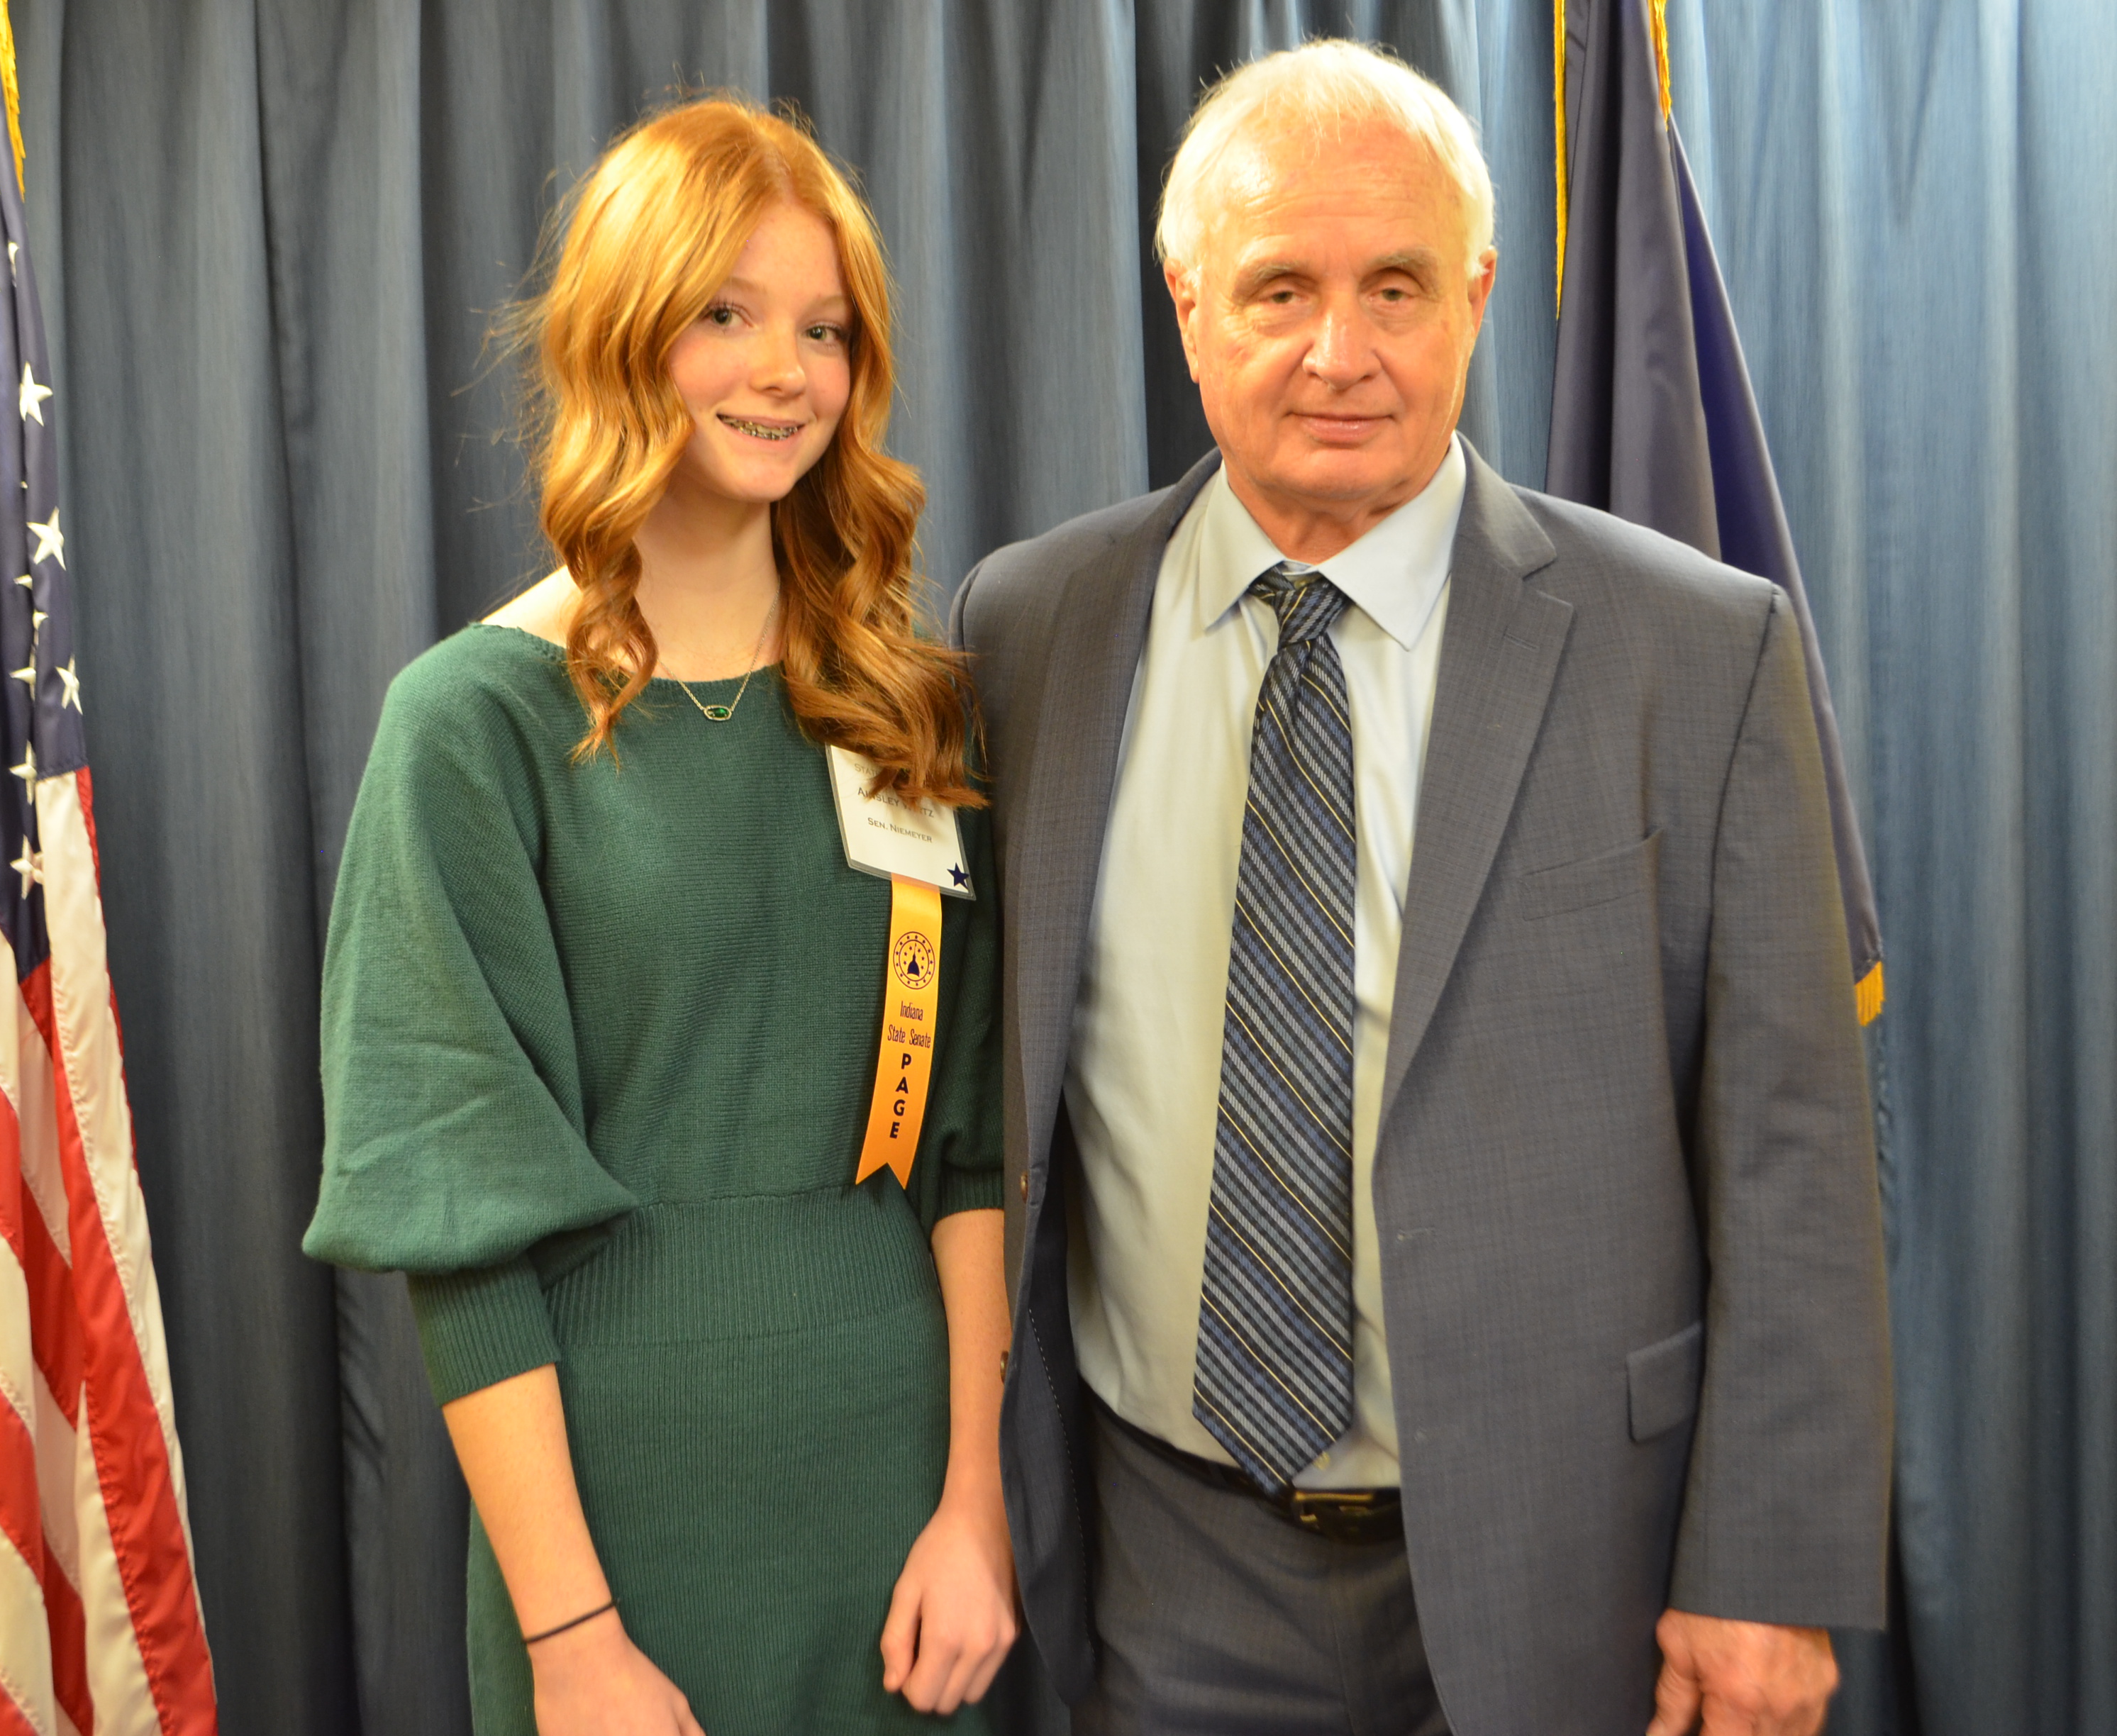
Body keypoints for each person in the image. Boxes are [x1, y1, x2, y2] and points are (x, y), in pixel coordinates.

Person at [956, 41, 1891, 1736]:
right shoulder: (1029, 627)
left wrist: (1768, 1567)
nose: (1342, 352)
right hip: (1164, 1560)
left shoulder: (1697, 649)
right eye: (1280, 291)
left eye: (1396, 287)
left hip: (1580, 1560)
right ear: (1187, 306)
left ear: (1476, 296)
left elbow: (1795, 1150)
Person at [303, 99, 1017, 1736]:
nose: (786, 372)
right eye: (727, 315)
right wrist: (572, 1641)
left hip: (908, 1514)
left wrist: (979, 1510)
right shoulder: (470, 727)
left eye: (824, 330)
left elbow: (970, 1154)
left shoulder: (908, 712)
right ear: (625, 335)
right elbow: (461, 1232)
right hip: (616, 1527)